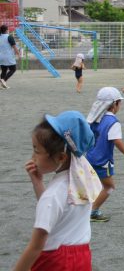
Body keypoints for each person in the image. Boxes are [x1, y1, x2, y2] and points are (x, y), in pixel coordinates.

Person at [14, 111, 101, 271]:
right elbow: (57, 214)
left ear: (61, 157)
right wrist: (38, 183)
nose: (32, 157)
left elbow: (35, 246)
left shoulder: (53, 194)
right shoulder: (81, 181)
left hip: (54, 261)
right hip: (82, 257)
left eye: (37, 151)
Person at [86, 87, 124, 222]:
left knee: (92, 185)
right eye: (119, 103)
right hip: (103, 160)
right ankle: (93, 211)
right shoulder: (113, 122)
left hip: (90, 157)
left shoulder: (94, 118)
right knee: (109, 187)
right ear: (114, 104)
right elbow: (117, 141)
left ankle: (86, 208)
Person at [0, 24, 20, 89]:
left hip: (1, 56)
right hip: (8, 56)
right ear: (6, 30)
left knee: (4, 70)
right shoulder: (9, 37)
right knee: (13, 69)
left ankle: (2, 84)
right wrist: (18, 54)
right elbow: (14, 47)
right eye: (8, 29)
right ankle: (4, 80)